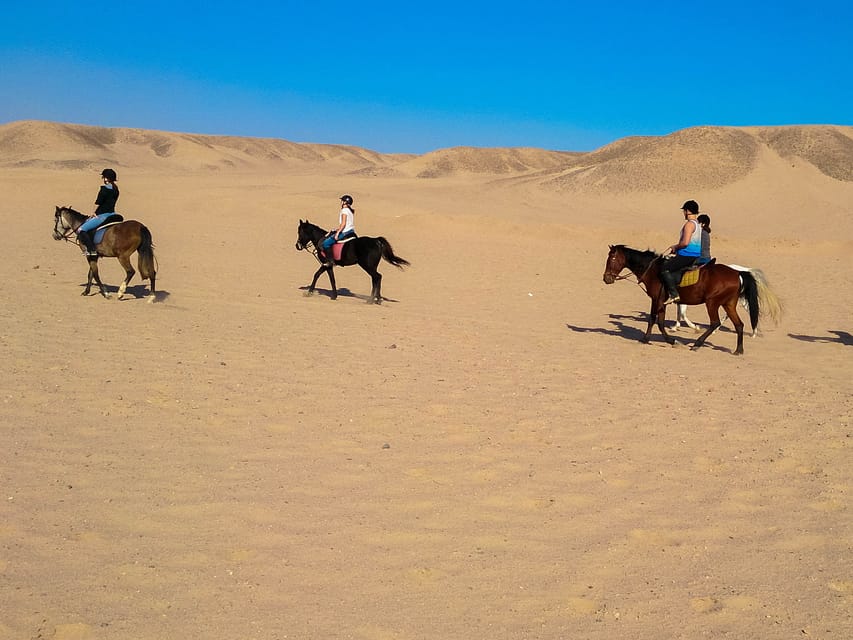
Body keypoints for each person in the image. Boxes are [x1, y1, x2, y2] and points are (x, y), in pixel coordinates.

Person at [659, 200, 702, 305]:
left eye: (684, 211)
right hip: (694, 255)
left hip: (686, 255)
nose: (683, 213)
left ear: (687, 211)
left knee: (664, 269)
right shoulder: (697, 224)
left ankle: (674, 294)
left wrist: (675, 247)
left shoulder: (689, 225)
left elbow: (685, 243)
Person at [77, 168, 121, 256]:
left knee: (81, 229)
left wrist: (93, 213)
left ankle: (91, 250)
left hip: (103, 215)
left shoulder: (104, 189)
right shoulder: (116, 190)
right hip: (112, 214)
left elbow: (98, 202)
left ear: (106, 178)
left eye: (104, 177)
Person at [319, 194, 357, 266]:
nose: (341, 202)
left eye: (342, 201)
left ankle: (330, 261)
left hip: (345, 232)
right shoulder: (350, 211)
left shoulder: (344, 211)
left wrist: (337, 233)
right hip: (351, 231)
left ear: (345, 202)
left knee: (325, 243)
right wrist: (336, 230)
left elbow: (343, 224)